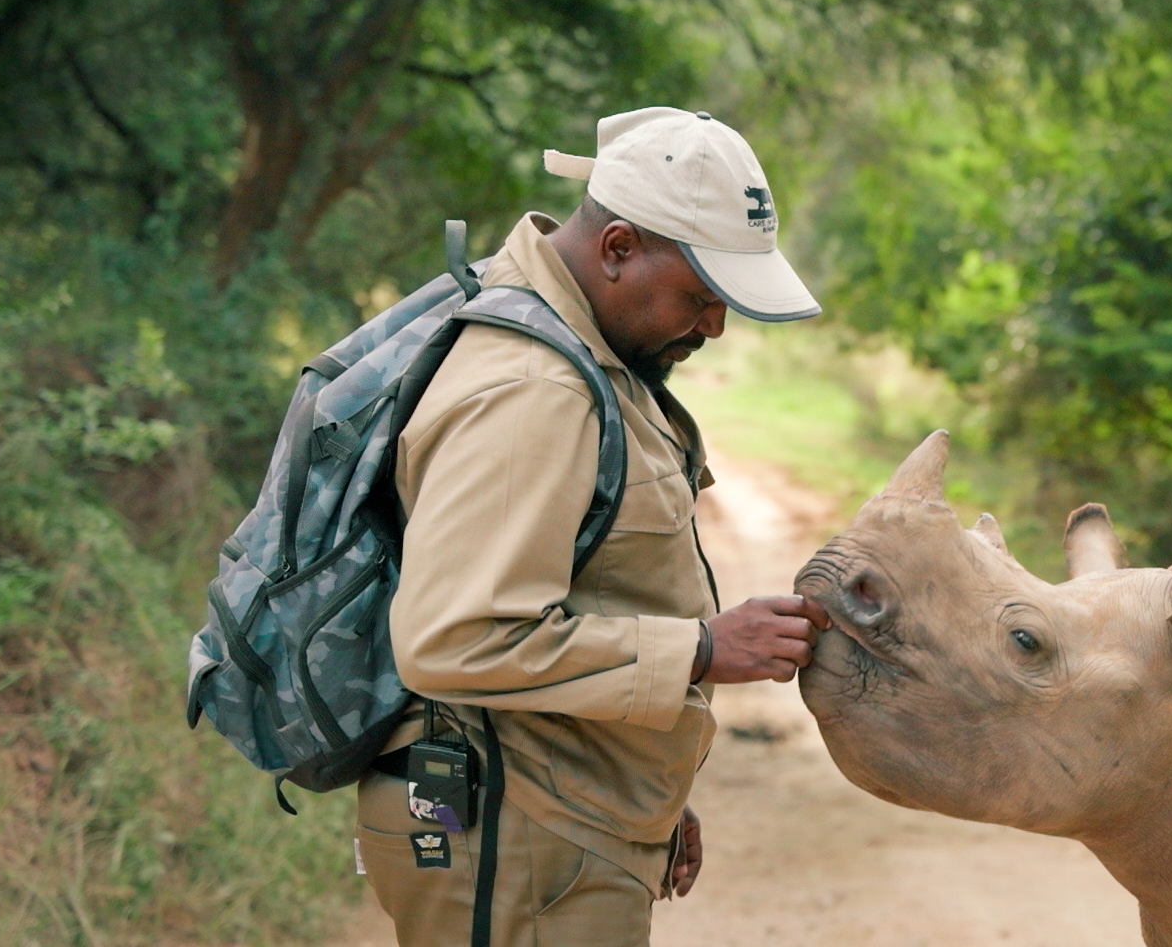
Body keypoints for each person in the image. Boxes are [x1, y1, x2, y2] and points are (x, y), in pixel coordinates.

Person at [354, 106, 833, 945]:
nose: (715, 326)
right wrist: (704, 648)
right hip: (504, 832)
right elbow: (453, 642)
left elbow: (590, 590)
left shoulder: (588, 357)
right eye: (701, 295)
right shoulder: (531, 391)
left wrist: (643, 795)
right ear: (617, 249)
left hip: (550, 815)